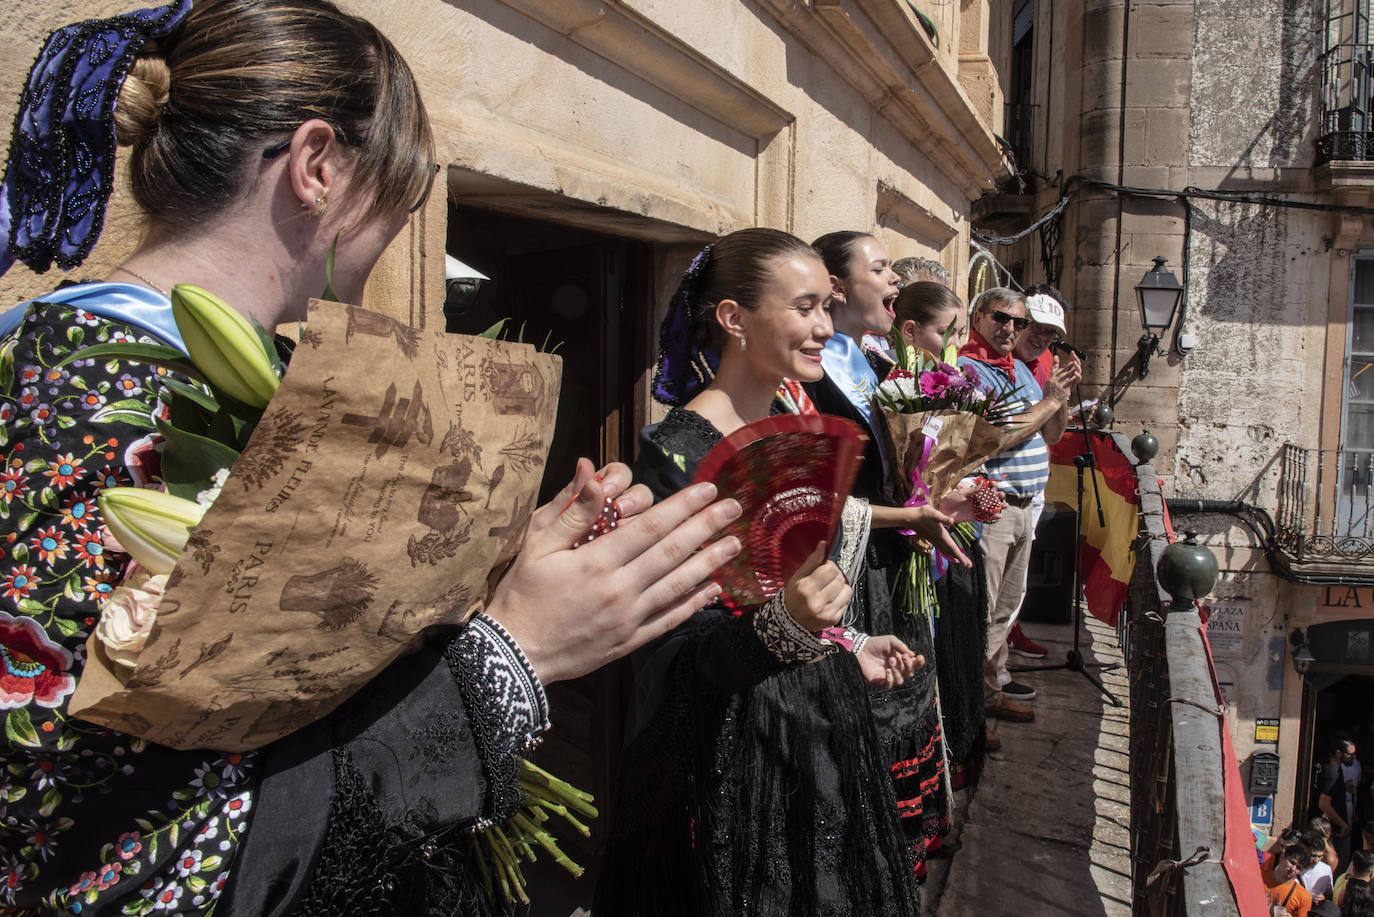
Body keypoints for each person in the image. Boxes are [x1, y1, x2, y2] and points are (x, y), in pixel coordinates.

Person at [0, 2, 744, 913]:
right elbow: (96, 851)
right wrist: (508, 660)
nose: (400, 224)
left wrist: (515, 565)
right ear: (317, 165)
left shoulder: (215, 369)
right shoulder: (91, 402)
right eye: (410, 187)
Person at [595, 228, 925, 916]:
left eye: (827, 309)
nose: (823, 328)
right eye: (805, 307)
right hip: (732, 757)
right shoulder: (675, 456)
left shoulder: (789, 423)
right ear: (733, 318)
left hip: (816, 723)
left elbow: (784, 585)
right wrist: (788, 626)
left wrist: (847, 644)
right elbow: (672, 655)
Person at [805, 230, 972, 879]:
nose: (895, 279)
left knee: (906, 692)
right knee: (872, 706)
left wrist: (952, 485)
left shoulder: (873, 364)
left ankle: (906, 842)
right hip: (850, 569)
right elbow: (816, 501)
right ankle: (870, 856)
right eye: (880, 269)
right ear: (839, 287)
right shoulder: (814, 383)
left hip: (890, 558)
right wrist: (912, 512)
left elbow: (906, 464)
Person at [957, 287, 1080, 727]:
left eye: (1019, 322)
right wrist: (1048, 399)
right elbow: (994, 438)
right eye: (1000, 318)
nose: (1011, 328)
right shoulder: (970, 369)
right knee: (982, 610)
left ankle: (989, 693)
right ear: (977, 317)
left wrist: (1059, 396)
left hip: (1025, 509)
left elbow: (1050, 435)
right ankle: (970, 708)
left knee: (1005, 610)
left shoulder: (1020, 372)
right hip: (996, 509)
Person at [887, 280, 996, 764]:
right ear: (910, 333)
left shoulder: (944, 379)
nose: (953, 346)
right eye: (944, 333)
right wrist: (939, 499)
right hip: (904, 542)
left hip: (933, 535)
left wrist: (962, 491)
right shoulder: (896, 386)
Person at [1319, 739, 1362, 866]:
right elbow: (1323, 804)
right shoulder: (1332, 772)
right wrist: (1343, 825)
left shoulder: (1337, 769)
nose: (1353, 757)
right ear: (1338, 753)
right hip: (1335, 830)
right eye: (1350, 754)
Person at [1265, 843, 1317, 917]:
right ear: (1282, 857)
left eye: (1298, 867)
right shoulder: (1259, 876)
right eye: (1292, 862)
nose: (1293, 869)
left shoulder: (1303, 897)